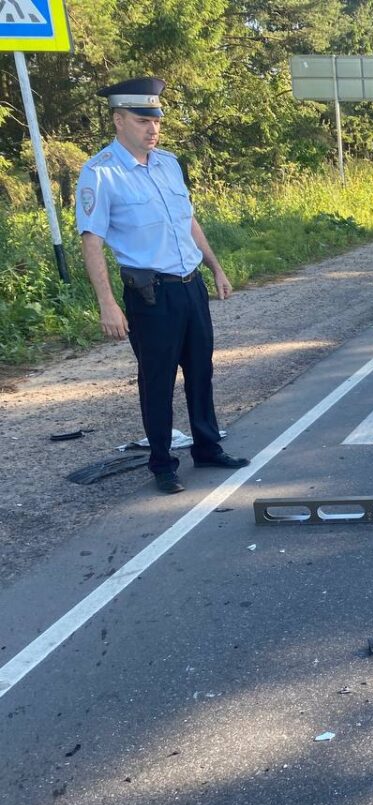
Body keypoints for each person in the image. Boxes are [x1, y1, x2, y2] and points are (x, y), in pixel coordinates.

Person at [75, 77, 249, 494]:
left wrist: (215, 267)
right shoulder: (101, 173)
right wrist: (107, 304)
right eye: (142, 121)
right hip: (151, 295)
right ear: (118, 121)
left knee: (201, 371)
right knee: (157, 380)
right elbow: (92, 241)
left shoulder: (168, 163)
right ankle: (162, 464)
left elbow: (186, 220)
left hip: (190, 286)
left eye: (156, 120)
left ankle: (207, 447)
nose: (152, 129)